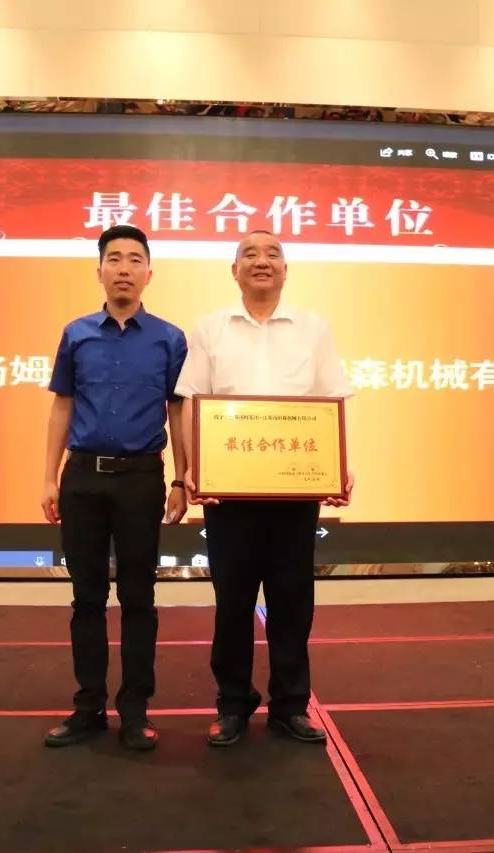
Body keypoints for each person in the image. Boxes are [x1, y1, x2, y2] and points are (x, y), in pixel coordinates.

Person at [175, 230, 354, 746]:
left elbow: (333, 401)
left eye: (272, 253)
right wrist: (192, 469)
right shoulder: (211, 328)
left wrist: (340, 467)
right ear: (234, 271)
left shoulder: (312, 329)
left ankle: (290, 706)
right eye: (249, 254)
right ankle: (233, 704)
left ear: (285, 270)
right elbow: (190, 401)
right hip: (227, 496)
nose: (262, 261)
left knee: (292, 602)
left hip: (294, 495)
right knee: (232, 604)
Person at [41, 224, 189, 751]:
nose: (124, 268)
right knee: (86, 598)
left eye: (134, 259)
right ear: (99, 270)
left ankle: (134, 709)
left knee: (138, 597)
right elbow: (62, 405)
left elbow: (178, 412)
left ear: (149, 273)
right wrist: (49, 476)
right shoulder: (76, 334)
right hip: (82, 477)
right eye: (115, 259)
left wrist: (181, 477)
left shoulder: (170, 339)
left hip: (141, 479)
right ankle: (87, 708)